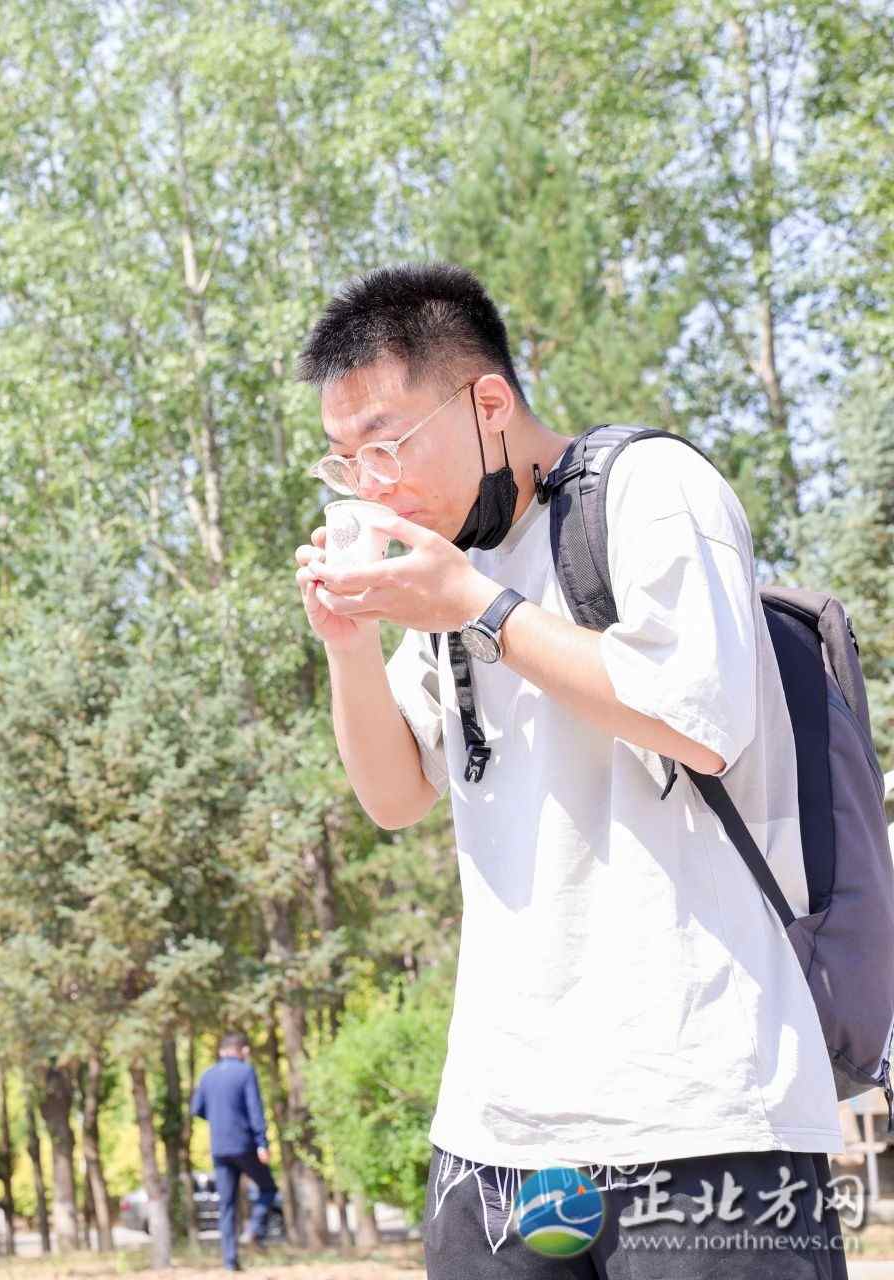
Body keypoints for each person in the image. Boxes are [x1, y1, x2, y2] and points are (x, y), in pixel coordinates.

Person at [292, 264, 845, 1278]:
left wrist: (479, 608)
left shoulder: (647, 489)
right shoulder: (451, 567)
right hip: (497, 1134)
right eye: (345, 460)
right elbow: (395, 794)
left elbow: (700, 723)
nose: (370, 484)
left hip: (697, 1111)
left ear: (488, 403)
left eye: (386, 445)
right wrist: (348, 643)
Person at [192, 1031, 277, 1269]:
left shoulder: (208, 1075)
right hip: (244, 1145)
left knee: (226, 1205)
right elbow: (255, 1109)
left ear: (222, 1051)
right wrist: (262, 1143)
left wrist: (219, 1118)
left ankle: (230, 1262)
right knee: (268, 1188)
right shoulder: (245, 1072)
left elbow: (196, 1108)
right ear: (243, 1050)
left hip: (219, 1147)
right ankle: (255, 1230)